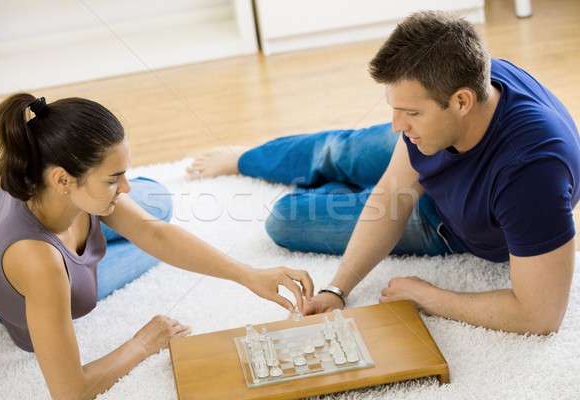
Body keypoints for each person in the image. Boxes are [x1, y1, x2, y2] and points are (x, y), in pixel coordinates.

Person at [186, 10, 580, 335]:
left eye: (409, 113)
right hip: (438, 147)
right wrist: (338, 288)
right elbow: (392, 192)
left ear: (461, 100)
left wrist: (428, 296)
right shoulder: (459, 84)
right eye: (395, 108)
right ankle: (246, 157)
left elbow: (539, 316)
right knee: (338, 149)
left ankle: (340, 186)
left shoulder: (531, 175)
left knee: (286, 219)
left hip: (445, 221)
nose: (395, 125)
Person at [0, 93, 313, 399]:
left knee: (159, 205)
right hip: (25, 289)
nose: (125, 187)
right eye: (113, 179)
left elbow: (155, 234)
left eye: (123, 174)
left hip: (29, 218)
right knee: (134, 236)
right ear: (63, 180)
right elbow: (71, 392)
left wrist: (248, 274)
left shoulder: (44, 172)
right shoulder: (42, 266)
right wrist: (143, 343)